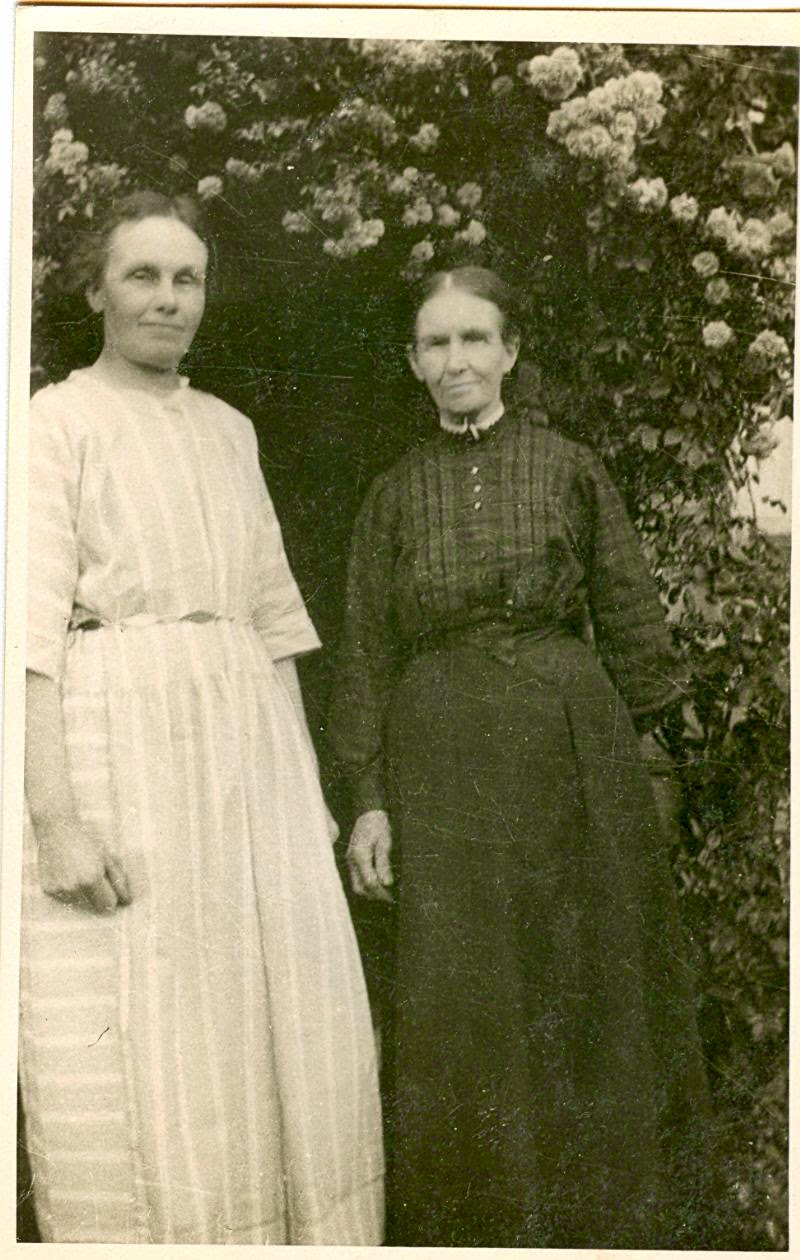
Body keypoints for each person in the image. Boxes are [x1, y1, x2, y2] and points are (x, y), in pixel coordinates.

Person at [21, 191, 383, 1245]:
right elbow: (23, 636)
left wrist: (304, 800)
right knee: (147, 1030)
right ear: (95, 291)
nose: (167, 298)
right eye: (142, 275)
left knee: (264, 1022)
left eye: (187, 278)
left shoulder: (229, 431)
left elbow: (272, 624)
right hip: (120, 750)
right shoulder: (52, 423)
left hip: (248, 760)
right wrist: (55, 820)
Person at [330, 266, 719, 1248]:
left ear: (509, 352)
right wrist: (368, 799)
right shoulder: (391, 496)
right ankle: (485, 1229)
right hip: (441, 768)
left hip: (567, 754)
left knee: (581, 984)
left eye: (475, 338)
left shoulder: (569, 469)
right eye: (436, 342)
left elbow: (631, 619)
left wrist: (658, 770)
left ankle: (603, 1228)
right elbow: (365, 653)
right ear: (412, 362)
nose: (455, 359)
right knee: (464, 998)